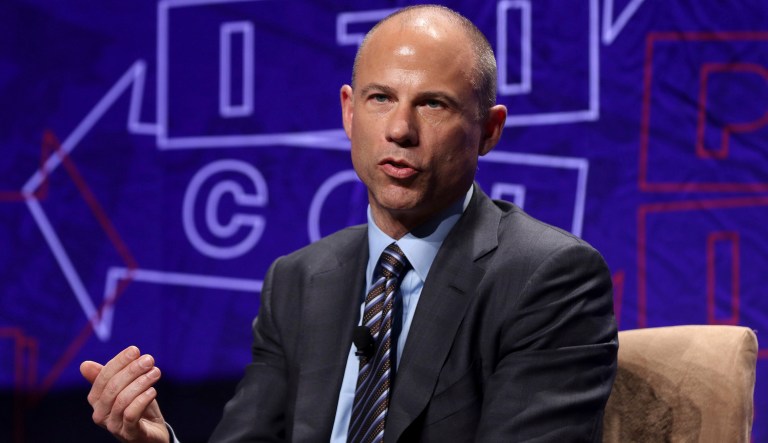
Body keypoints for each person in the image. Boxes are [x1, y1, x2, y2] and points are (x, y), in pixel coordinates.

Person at [81, 5, 618, 442]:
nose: (401, 129)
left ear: (488, 130)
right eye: (380, 98)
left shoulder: (548, 277)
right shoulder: (299, 279)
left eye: (433, 104)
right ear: (348, 111)